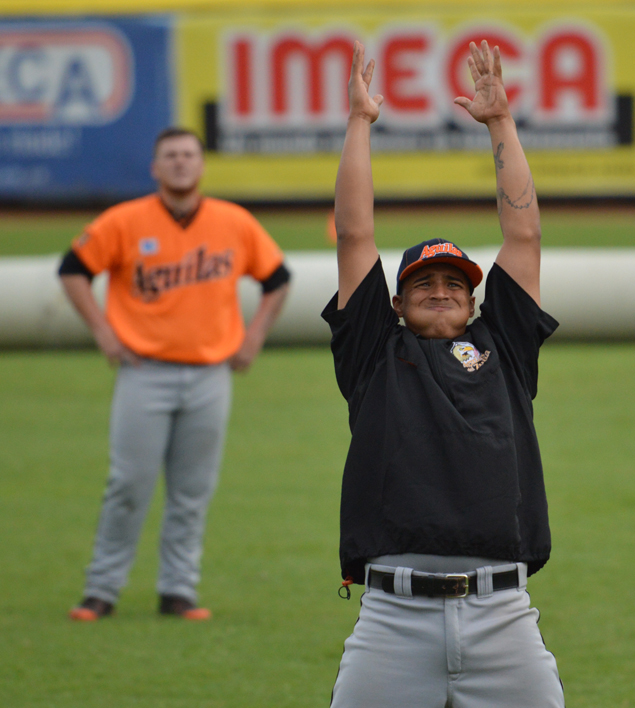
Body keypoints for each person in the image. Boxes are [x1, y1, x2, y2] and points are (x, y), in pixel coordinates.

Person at [321, 41, 565, 707]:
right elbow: (353, 237)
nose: (439, 290)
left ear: (474, 300)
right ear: (395, 303)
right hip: (392, 621)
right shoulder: (374, 353)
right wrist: (359, 124)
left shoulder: (505, 348)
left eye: (453, 282)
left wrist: (501, 125)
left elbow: (524, 240)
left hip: (504, 617)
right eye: (421, 281)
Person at [59, 127, 290, 621]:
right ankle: (101, 589)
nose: (181, 163)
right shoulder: (125, 220)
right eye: (171, 156)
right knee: (128, 484)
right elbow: (73, 267)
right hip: (145, 371)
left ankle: (178, 590)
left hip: (210, 374)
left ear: (201, 165)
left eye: (189, 154)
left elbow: (277, 278)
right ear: (155, 167)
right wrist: (102, 331)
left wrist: (253, 337)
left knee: (193, 490)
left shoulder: (232, 221)